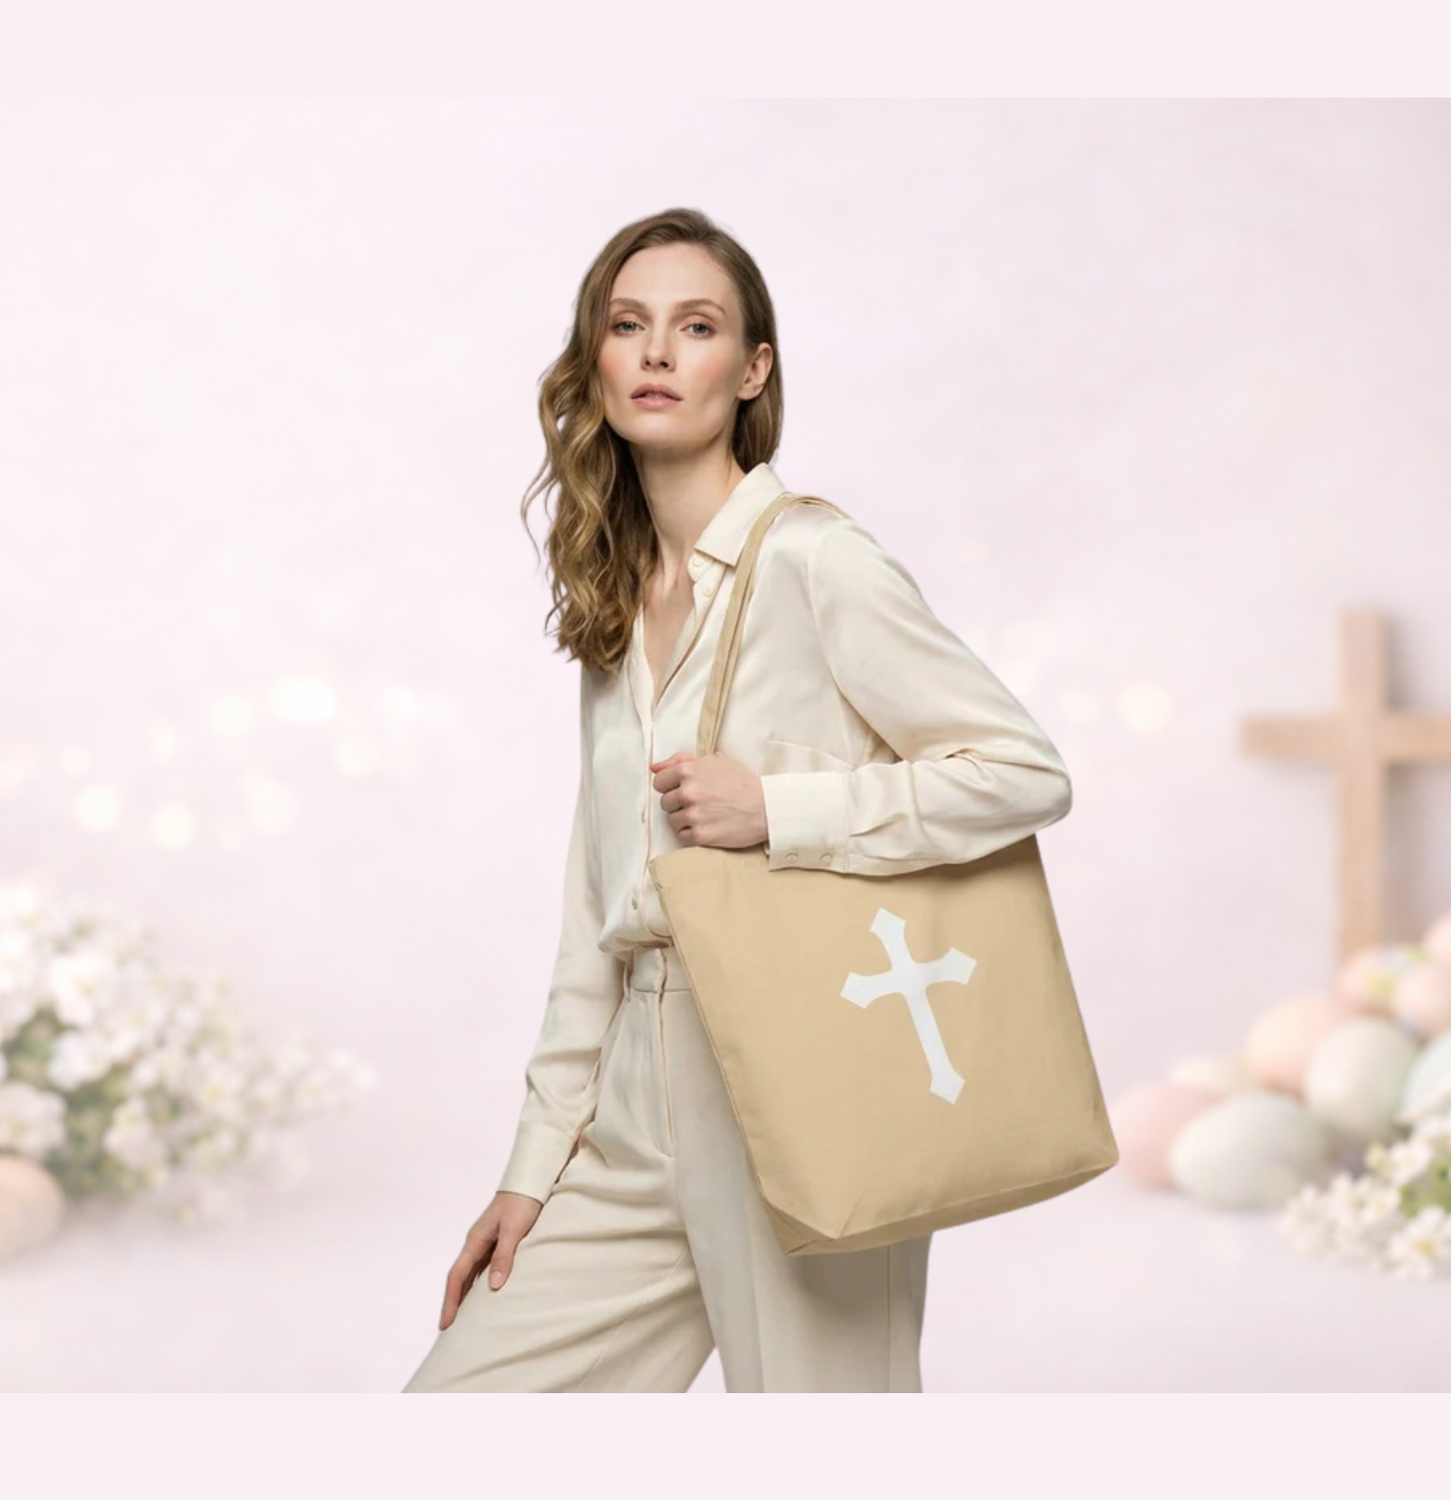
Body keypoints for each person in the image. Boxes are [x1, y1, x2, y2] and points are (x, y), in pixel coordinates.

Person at [401, 207, 1074, 1393]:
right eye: (628, 325)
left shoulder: (819, 559)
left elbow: (1022, 772)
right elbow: (592, 911)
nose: (658, 354)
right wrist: (533, 1163)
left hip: (803, 1064)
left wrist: (784, 809)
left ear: (751, 368)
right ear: (595, 359)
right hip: (630, 1099)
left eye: (697, 326)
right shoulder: (614, 603)